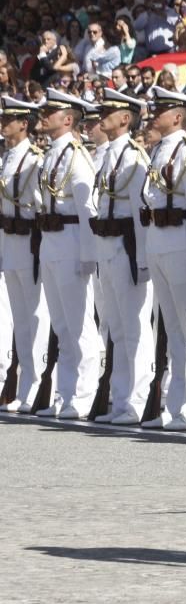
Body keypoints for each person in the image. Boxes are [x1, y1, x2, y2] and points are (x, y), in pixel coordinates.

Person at [138, 87, 186, 432]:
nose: (154, 115)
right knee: (172, 331)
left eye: (162, 110)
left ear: (178, 117)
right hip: (158, 241)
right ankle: (174, 406)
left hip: (181, 242)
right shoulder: (158, 150)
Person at [33, 89, 102, 420]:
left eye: (51, 112)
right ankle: (65, 393)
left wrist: (88, 255)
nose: (44, 116)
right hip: (51, 241)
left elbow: (88, 209)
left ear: (69, 119)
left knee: (79, 324)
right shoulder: (52, 154)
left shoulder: (76, 155)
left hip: (72, 240)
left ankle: (84, 393)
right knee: (61, 324)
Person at [89, 89, 155, 426]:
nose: (102, 115)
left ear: (126, 118)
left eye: (109, 110)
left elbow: (139, 214)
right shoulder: (110, 155)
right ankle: (119, 397)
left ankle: (137, 400)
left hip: (126, 249)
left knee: (133, 328)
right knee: (115, 327)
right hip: (107, 247)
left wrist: (142, 261)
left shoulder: (133, 156)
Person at [0, 97, 50, 414]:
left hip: (29, 239)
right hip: (9, 240)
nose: (3, 125)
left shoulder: (34, 158)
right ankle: (22, 384)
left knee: (35, 317)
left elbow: (40, 203)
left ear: (24, 124)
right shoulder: (6, 158)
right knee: (18, 318)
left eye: (9, 120)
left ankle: (36, 385)